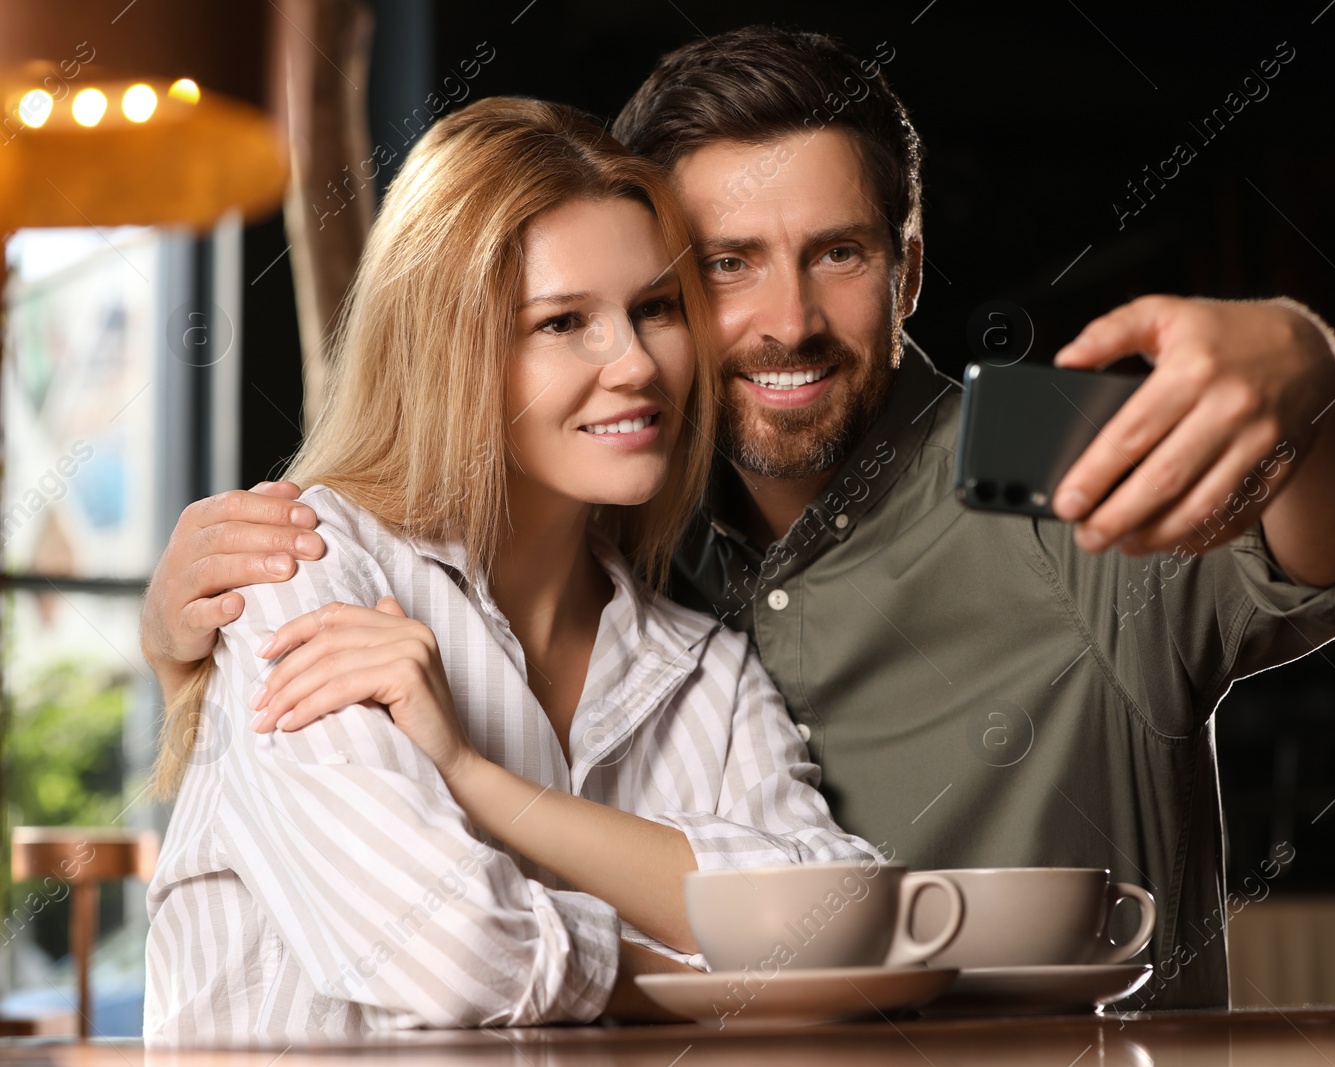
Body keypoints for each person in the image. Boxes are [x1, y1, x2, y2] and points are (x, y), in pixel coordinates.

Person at [139, 28, 1335, 1010]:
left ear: (908, 268)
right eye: (723, 265)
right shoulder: (639, 507)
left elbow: (1329, 547)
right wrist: (189, 646)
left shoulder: (1029, 440)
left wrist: (1307, 385)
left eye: (841, 252)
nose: (788, 320)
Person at [142, 97, 878, 1045]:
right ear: (449, 349)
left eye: (655, 309)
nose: (636, 365)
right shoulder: (298, 562)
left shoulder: (709, 673)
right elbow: (448, 954)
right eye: (564, 321)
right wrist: (715, 970)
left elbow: (851, 919)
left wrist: (481, 781)